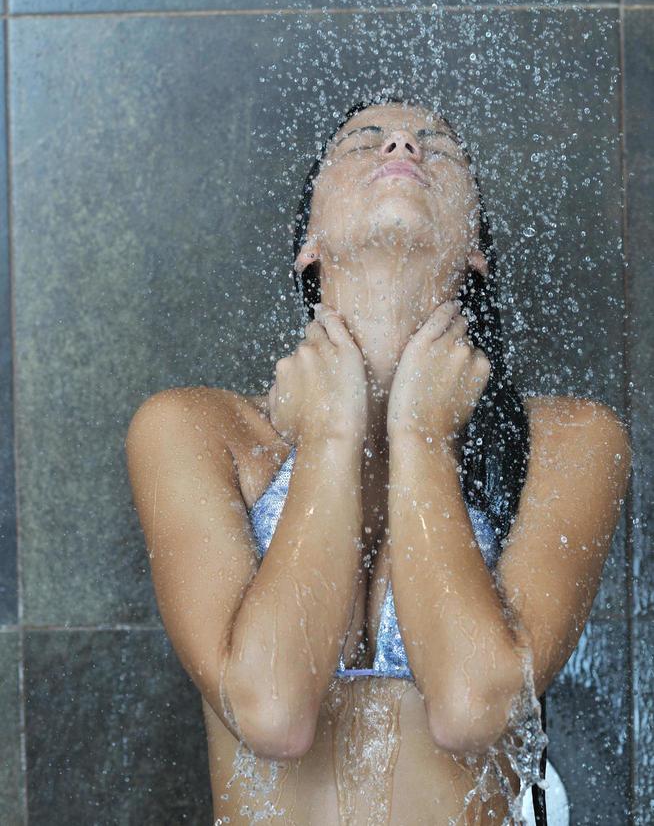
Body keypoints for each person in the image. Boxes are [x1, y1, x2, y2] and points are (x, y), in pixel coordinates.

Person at [125, 96, 632, 824]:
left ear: (476, 250)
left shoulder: (569, 440)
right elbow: (271, 713)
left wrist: (422, 436)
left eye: (439, 146)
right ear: (309, 243)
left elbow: (472, 706)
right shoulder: (194, 432)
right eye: (365, 141)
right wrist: (331, 435)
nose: (403, 144)